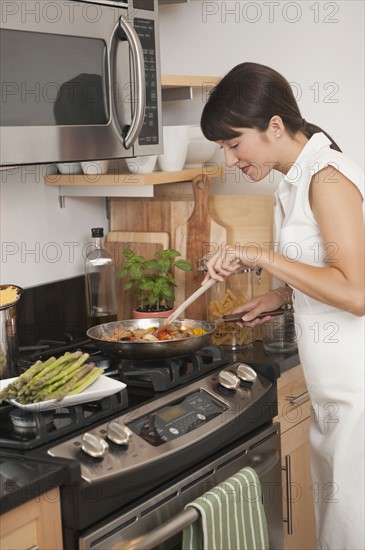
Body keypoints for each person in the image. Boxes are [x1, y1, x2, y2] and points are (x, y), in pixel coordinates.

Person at [201, 62, 364, 550]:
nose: (229, 161)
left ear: (274, 126)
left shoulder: (326, 179)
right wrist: (277, 296)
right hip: (333, 394)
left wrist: (258, 256)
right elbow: (324, 268)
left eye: (234, 143)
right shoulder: (293, 180)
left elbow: (357, 293)